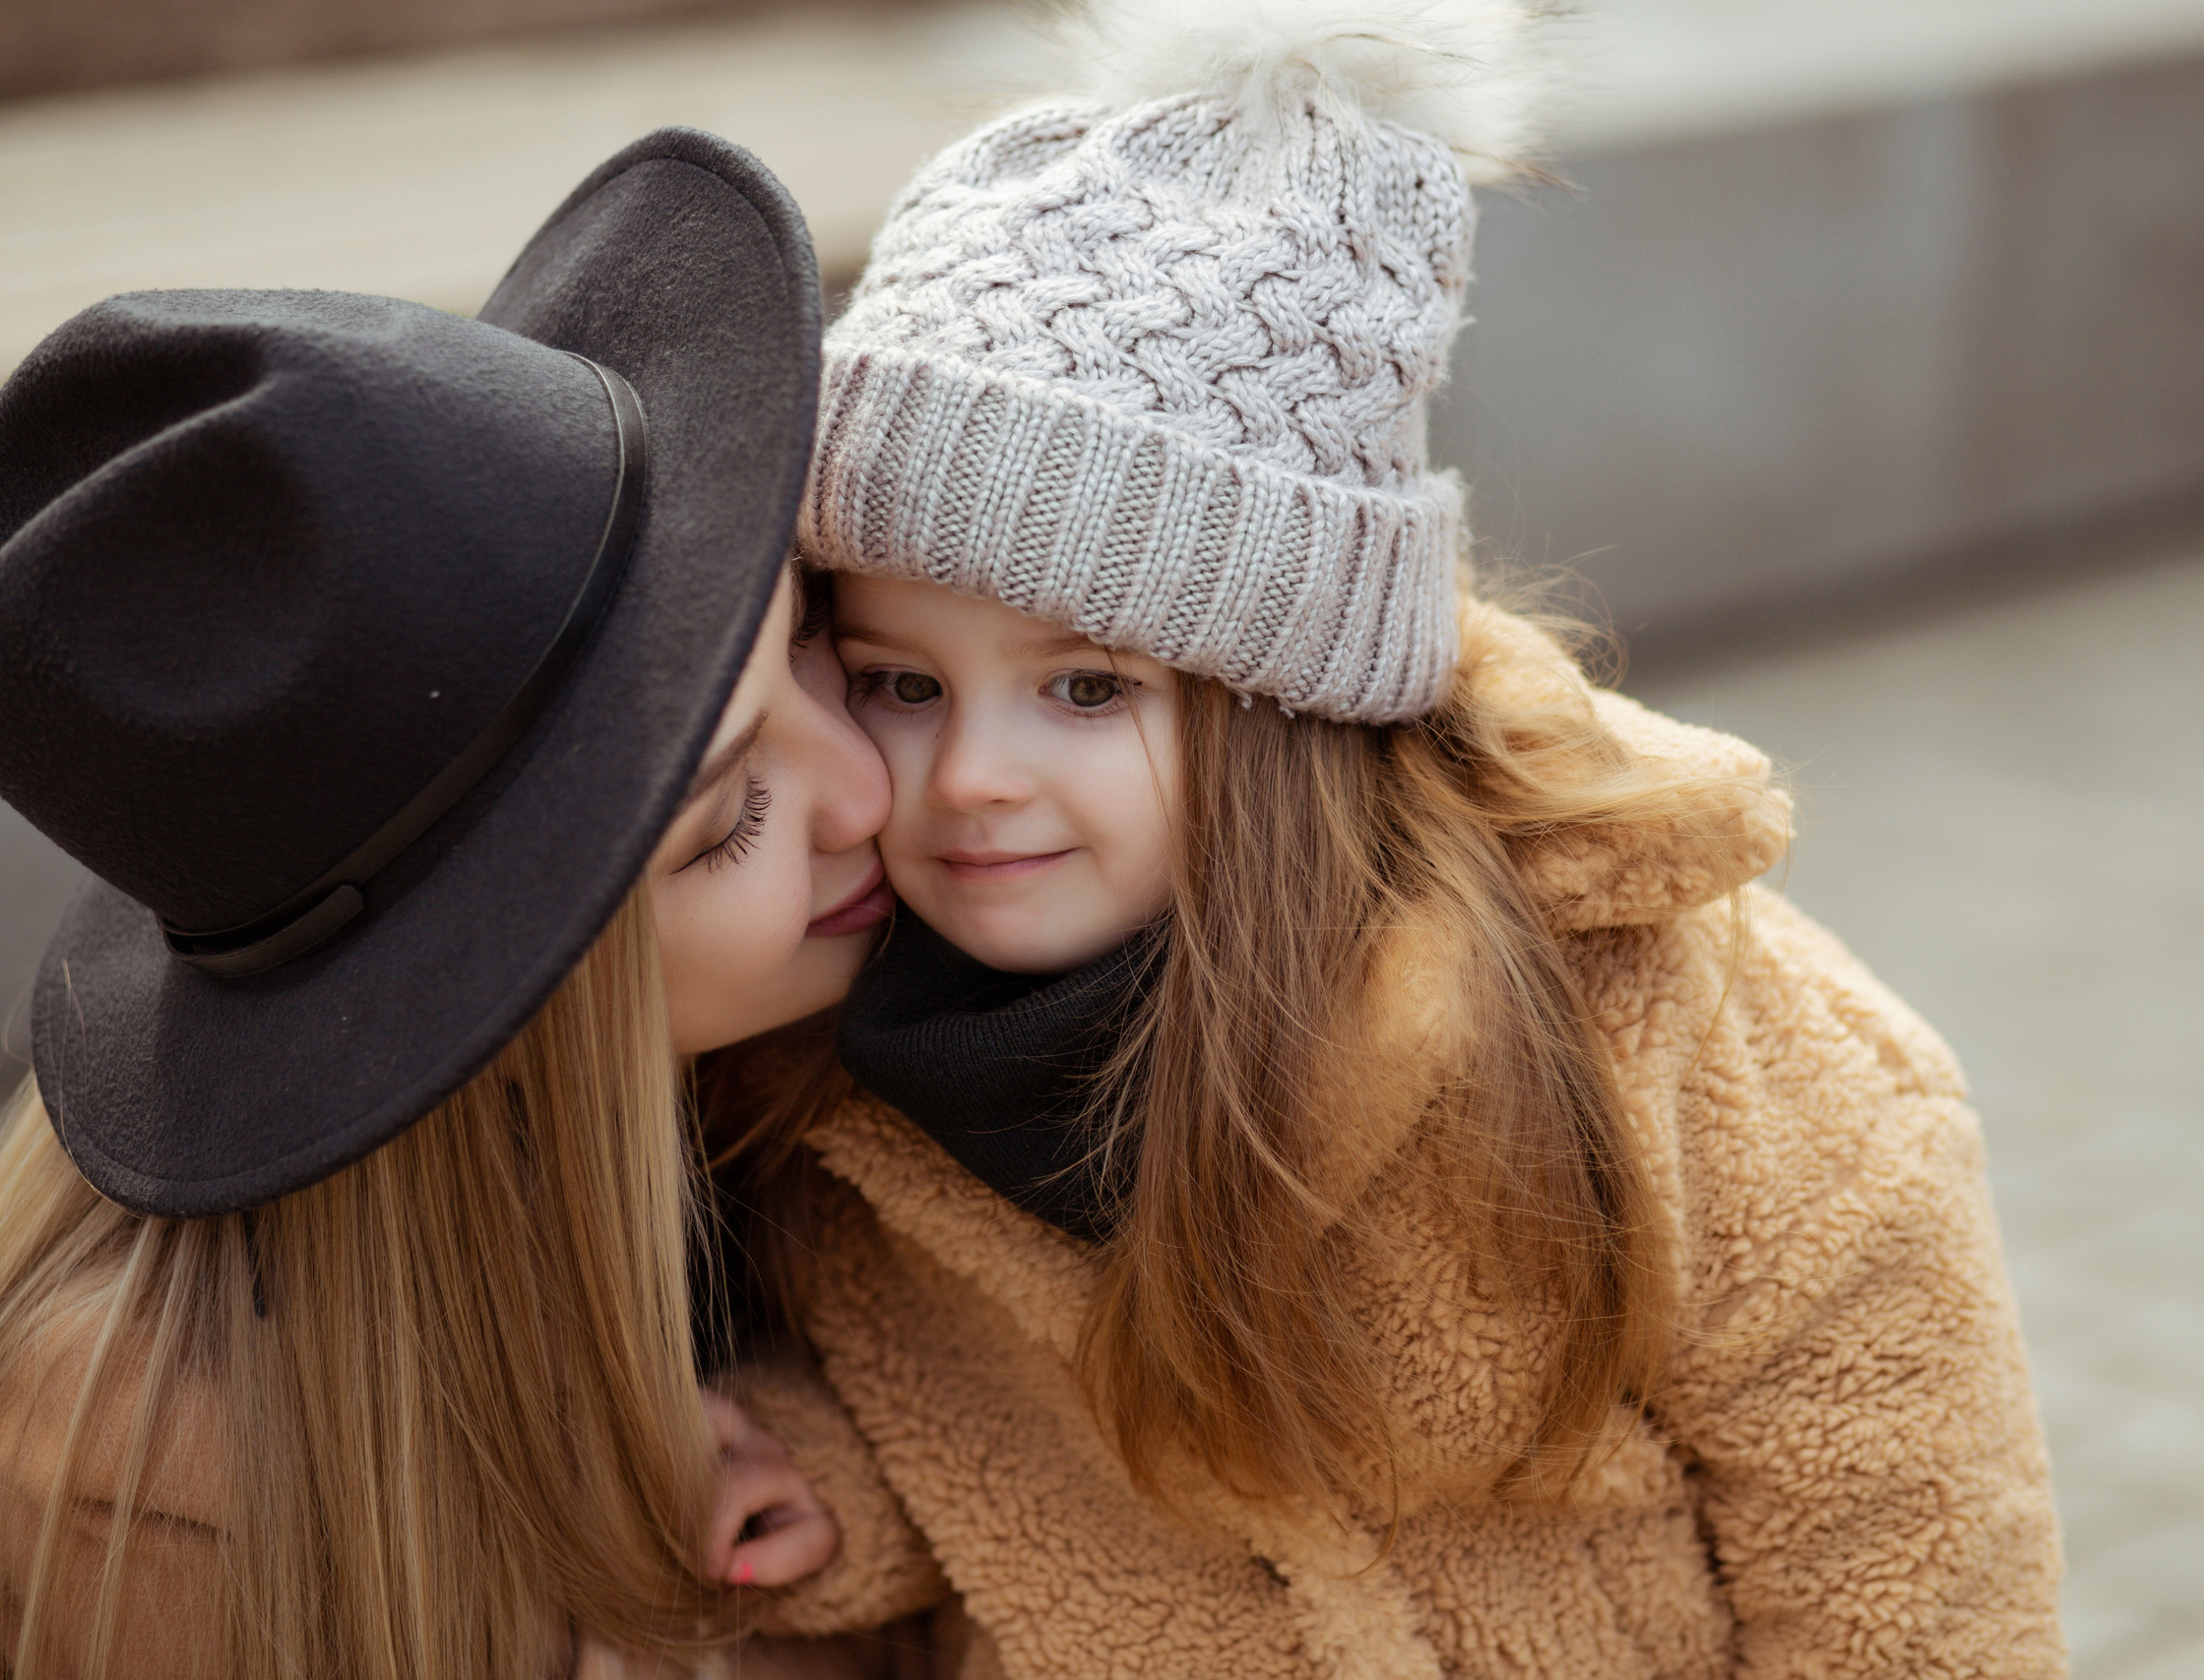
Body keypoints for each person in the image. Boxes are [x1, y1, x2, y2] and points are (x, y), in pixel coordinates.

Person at [718, 2, 2072, 1676]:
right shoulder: (836, 1048)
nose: (968, 778)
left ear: (1281, 705)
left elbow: (1903, 1545)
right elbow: (1019, 1446)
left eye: (1085, 688)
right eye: (903, 683)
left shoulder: (1651, 1022)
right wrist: (836, 1480)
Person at [0, 130, 873, 1677]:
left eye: (804, 640)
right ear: (488, 1018)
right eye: (732, 820)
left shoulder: (813, 1118)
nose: (873, 785)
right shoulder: (156, 1517)